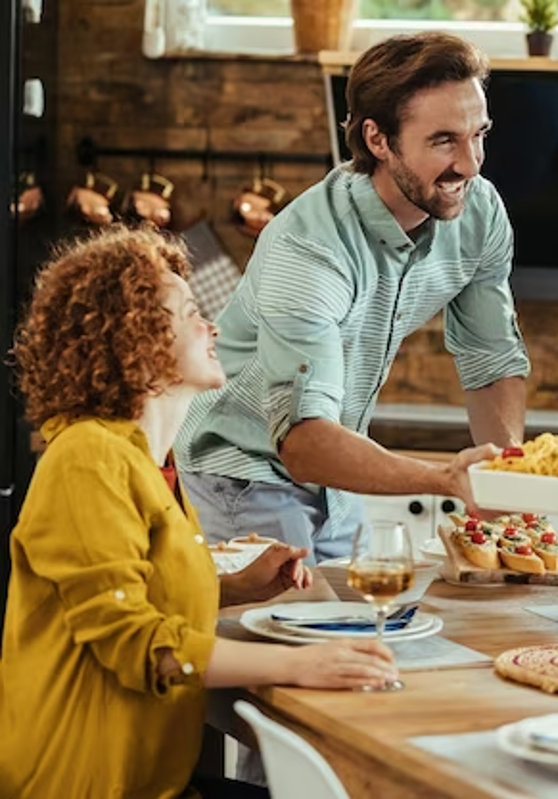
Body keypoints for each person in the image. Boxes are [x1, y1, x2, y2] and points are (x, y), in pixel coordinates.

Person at [0, 227, 400, 798]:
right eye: (188, 313)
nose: (210, 327)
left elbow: (145, 598)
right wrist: (301, 665)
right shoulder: (87, 459)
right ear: (133, 339)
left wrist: (236, 587)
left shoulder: (150, 462)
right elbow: (139, 644)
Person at [176, 32, 530, 562]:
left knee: (362, 632)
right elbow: (302, 441)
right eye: (443, 141)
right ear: (379, 140)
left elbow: (490, 357)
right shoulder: (309, 248)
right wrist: (448, 479)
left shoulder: (478, 211)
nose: (472, 163)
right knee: (293, 638)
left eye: (478, 134)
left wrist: (504, 480)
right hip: (242, 471)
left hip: (335, 474)